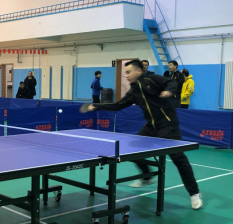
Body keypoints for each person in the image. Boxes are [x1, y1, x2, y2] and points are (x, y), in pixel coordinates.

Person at [86, 59, 202, 210]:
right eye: (125, 72)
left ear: (138, 71)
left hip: (168, 125)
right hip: (151, 127)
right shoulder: (134, 92)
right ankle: (147, 176)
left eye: (128, 72)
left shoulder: (152, 79)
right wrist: (97, 106)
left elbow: (171, 82)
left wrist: (169, 91)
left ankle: (194, 193)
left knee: (179, 158)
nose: (126, 75)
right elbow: (118, 105)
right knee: (133, 151)